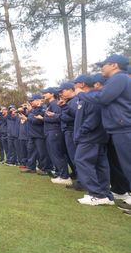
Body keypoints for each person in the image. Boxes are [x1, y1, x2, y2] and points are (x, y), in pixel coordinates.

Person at [76, 54, 131, 215]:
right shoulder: (119, 79)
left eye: (104, 65)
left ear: (114, 65)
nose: (102, 68)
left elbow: (102, 97)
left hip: (124, 127)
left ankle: (100, 194)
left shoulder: (119, 78)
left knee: (129, 165)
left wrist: (80, 93)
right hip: (119, 128)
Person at [72, 74, 113, 206]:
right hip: (96, 137)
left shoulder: (91, 97)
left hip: (90, 137)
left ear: (82, 84)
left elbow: (93, 118)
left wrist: (81, 132)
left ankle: (96, 194)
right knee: (100, 165)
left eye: (76, 83)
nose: (74, 86)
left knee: (82, 160)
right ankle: (105, 194)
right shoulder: (89, 97)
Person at [42, 87, 71, 185]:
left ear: (51, 94)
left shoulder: (55, 104)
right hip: (50, 131)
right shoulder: (50, 104)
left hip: (55, 131)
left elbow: (59, 117)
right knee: (54, 154)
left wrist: (44, 118)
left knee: (57, 154)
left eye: (45, 93)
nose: (43, 95)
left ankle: (64, 176)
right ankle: (60, 174)